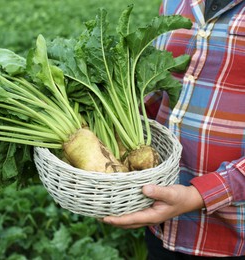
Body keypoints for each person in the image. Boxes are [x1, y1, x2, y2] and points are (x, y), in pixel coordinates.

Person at [102, 0, 245, 258]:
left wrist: (198, 195)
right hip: (161, 225)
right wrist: (107, 125)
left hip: (234, 236)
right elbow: (163, 91)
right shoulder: (175, 3)